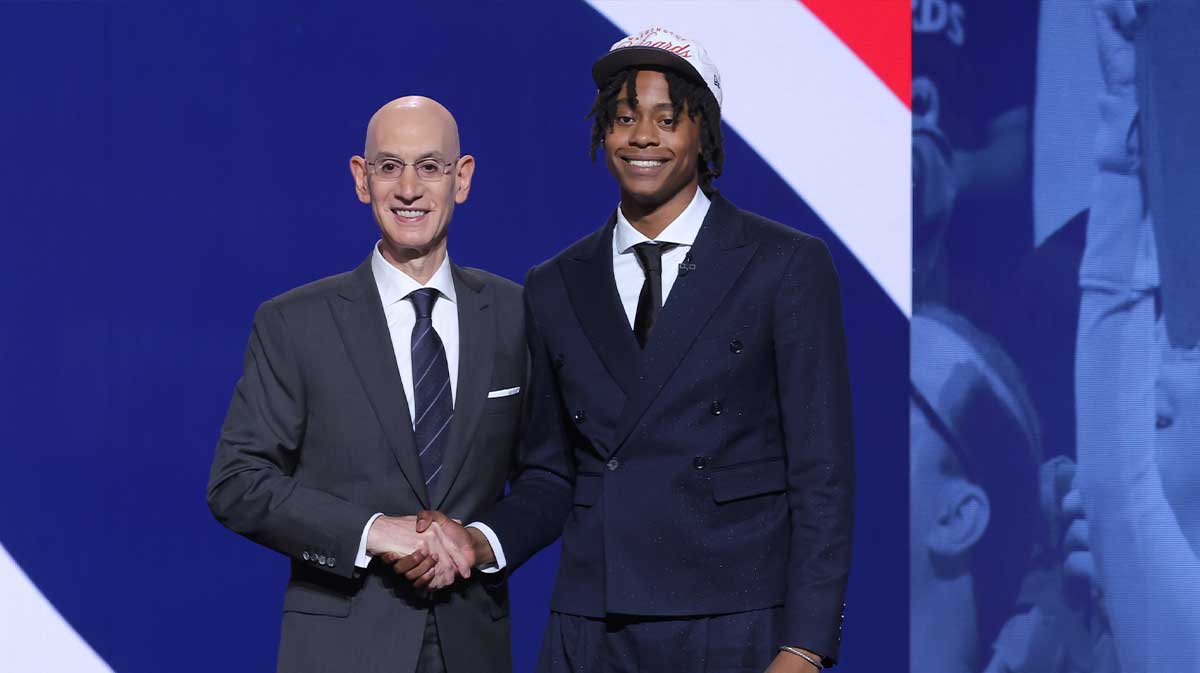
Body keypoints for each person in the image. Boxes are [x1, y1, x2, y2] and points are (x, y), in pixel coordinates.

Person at [411, 28, 855, 672]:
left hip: (735, 621)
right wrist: (480, 540)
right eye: (623, 119)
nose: (642, 136)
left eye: (667, 119)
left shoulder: (784, 264)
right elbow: (550, 474)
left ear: (703, 132)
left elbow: (823, 476)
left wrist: (805, 646)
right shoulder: (555, 283)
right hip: (594, 625)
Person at [206, 96, 526, 673]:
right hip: (340, 648)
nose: (409, 189)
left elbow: (549, 476)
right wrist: (373, 531)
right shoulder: (294, 323)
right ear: (362, 178)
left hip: (473, 643)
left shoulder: (515, 314)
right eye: (389, 166)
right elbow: (238, 483)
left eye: (430, 166)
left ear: (462, 178)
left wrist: (479, 541)